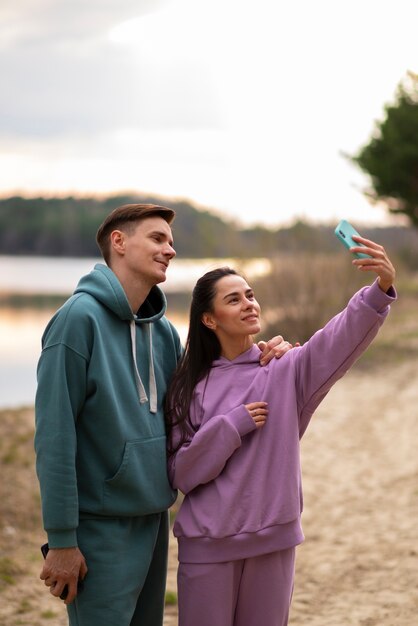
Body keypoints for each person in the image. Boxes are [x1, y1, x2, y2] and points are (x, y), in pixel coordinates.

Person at [34, 202, 292, 626]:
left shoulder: (164, 331)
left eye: (171, 242)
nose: (170, 250)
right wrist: (62, 541)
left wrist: (262, 355)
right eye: (157, 239)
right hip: (100, 528)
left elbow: (203, 395)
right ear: (118, 242)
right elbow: (54, 438)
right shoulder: (76, 322)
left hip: (154, 520)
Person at [165, 235, 397, 626]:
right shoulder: (188, 386)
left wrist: (380, 290)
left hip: (273, 542)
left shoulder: (285, 369)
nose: (249, 304)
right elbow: (182, 474)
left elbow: (336, 341)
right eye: (233, 299)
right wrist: (230, 427)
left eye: (250, 295)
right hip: (206, 545)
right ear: (209, 319)